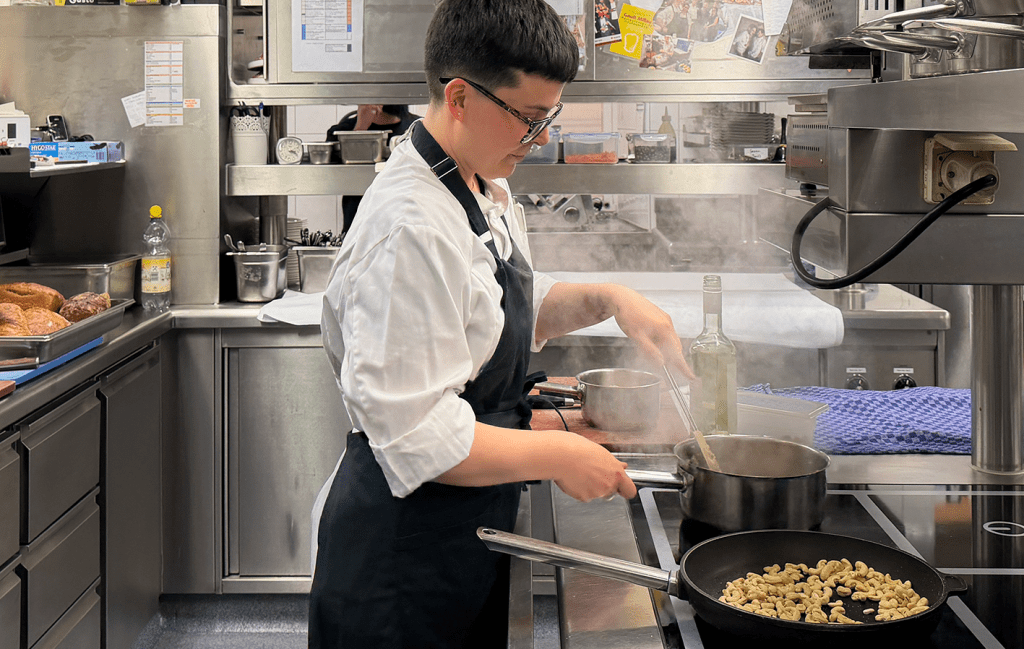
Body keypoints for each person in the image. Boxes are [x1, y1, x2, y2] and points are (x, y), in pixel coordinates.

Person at [308, 1, 693, 647]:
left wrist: (607, 297)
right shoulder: (410, 227)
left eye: (548, 119)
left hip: (462, 530)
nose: (537, 138)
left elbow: (485, 309)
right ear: (460, 97)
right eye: (528, 118)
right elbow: (415, 433)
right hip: (401, 563)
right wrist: (560, 453)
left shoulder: (478, 184)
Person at [325, 104, 420, 233]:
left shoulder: (417, 128)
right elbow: (332, 176)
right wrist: (360, 128)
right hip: (357, 224)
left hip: (404, 221)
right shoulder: (344, 130)